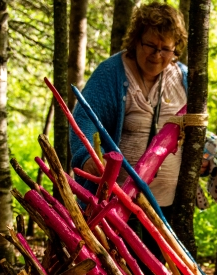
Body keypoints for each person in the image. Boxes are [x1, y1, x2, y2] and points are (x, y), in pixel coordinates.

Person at [70, 2, 187, 221]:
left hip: (165, 208)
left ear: (175, 47)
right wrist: (87, 157)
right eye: (150, 45)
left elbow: (196, 128)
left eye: (165, 49)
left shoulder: (184, 80)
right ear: (136, 40)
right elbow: (83, 118)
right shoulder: (111, 73)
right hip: (114, 204)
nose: (157, 54)